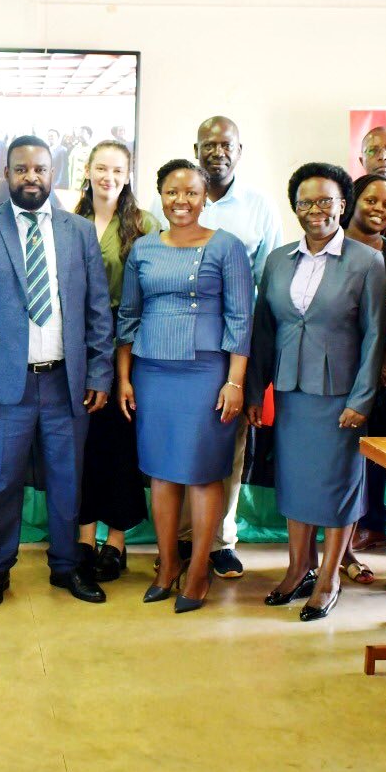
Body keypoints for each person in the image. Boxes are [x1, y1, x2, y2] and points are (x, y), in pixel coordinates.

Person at [0, 136, 114, 609]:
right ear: (6, 174)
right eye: (21, 169)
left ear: (52, 173)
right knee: (1, 481)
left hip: (67, 382)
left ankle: (66, 567)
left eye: (40, 169)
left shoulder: (78, 231)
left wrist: (99, 376)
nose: (31, 177)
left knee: (67, 481)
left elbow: (97, 311)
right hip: (6, 385)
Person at [249, 163, 386, 621]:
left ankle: (328, 578)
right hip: (290, 391)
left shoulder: (366, 261)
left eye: (325, 200)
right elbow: (264, 332)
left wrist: (361, 400)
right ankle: (296, 569)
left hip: (341, 395)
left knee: (338, 485)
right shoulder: (277, 260)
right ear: (295, 208)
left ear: (343, 205)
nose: (315, 210)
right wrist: (255, 392)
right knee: (295, 483)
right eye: (305, 202)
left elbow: (374, 336)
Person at [118, 160, 252, 613]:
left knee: (202, 470)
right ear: (160, 194)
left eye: (192, 192)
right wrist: (123, 377)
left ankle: (197, 571)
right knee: (160, 470)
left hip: (206, 372)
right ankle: (167, 563)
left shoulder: (226, 247)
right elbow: (128, 317)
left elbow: (240, 319)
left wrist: (235, 381)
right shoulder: (142, 249)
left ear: (205, 196)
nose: (182, 201)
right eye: (173, 192)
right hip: (152, 371)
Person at [147, 117, 278, 580]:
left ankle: (221, 542)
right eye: (209, 144)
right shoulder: (163, 212)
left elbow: (265, 287)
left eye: (226, 144)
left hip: (228, 353)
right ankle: (182, 543)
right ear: (196, 148)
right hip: (168, 358)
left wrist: (243, 372)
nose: (217, 151)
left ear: (239, 150)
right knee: (174, 454)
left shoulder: (259, 209)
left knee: (225, 450)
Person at [72, 139, 158, 581]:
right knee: (82, 444)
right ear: (87, 170)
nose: (108, 177)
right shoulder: (70, 221)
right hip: (79, 347)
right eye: (101, 168)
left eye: (118, 170)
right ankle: (84, 536)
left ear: (128, 176)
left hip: (129, 347)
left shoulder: (145, 224)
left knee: (120, 444)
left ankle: (116, 541)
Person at [342, 172, 386, 570]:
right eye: (371, 200)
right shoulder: (329, 245)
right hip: (333, 364)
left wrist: (384, 367)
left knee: (372, 448)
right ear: (353, 200)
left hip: (382, 369)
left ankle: (370, 524)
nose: (379, 209)